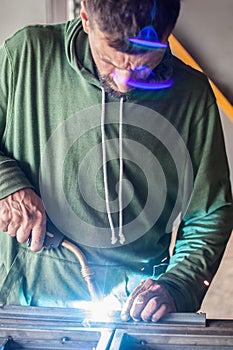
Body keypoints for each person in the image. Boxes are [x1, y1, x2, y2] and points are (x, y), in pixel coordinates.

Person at [0, 0, 232, 323]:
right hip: (24, 301)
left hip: (131, 312)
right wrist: (6, 185)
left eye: (142, 66)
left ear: (168, 33)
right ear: (84, 18)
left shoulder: (192, 97)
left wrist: (178, 284)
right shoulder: (24, 57)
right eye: (110, 60)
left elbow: (209, 215)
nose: (124, 82)